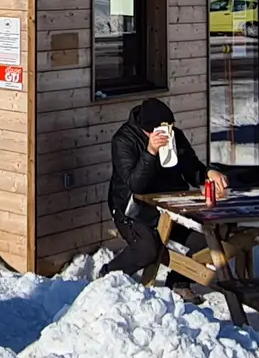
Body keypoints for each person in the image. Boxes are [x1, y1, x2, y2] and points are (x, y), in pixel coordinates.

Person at [98, 97, 229, 298]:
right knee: (148, 249)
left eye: (170, 127)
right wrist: (150, 152)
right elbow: (135, 185)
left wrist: (208, 173)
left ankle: (178, 281)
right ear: (149, 129)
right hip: (132, 208)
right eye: (163, 129)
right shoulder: (123, 140)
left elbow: (191, 168)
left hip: (170, 205)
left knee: (207, 239)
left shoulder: (175, 136)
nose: (168, 133)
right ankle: (108, 274)